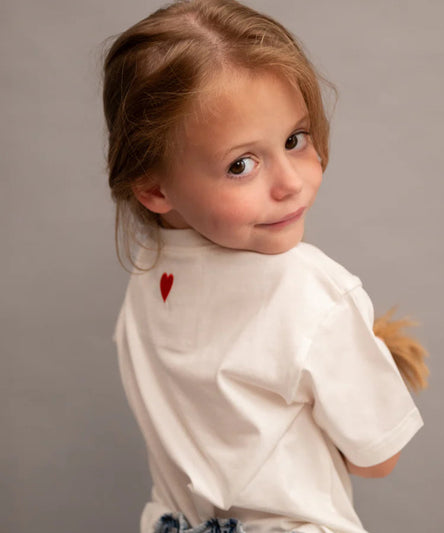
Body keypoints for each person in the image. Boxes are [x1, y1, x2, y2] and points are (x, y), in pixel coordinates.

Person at [102, 1, 424, 532]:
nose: (290, 183)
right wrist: (368, 360)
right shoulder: (310, 289)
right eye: (241, 165)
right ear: (154, 187)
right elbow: (376, 458)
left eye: (295, 140)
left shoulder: (150, 268)